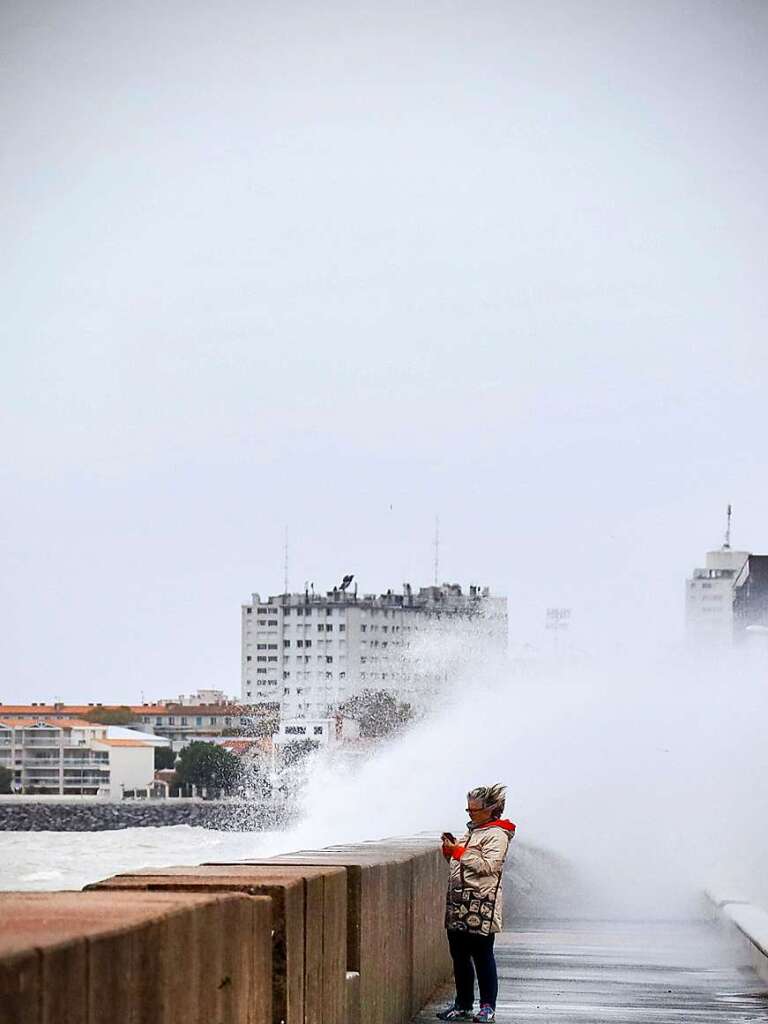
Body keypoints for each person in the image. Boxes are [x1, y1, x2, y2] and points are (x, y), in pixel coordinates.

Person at [437, 784, 516, 1023]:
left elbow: (489, 866)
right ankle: (463, 1003)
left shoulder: (497, 834)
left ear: (491, 809)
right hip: (460, 901)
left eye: (474, 810)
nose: (469, 813)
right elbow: (461, 858)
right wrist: (450, 850)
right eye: (468, 809)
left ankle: (487, 1007)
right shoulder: (473, 831)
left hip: (481, 903)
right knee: (459, 954)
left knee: (482, 955)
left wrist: (459, 851)